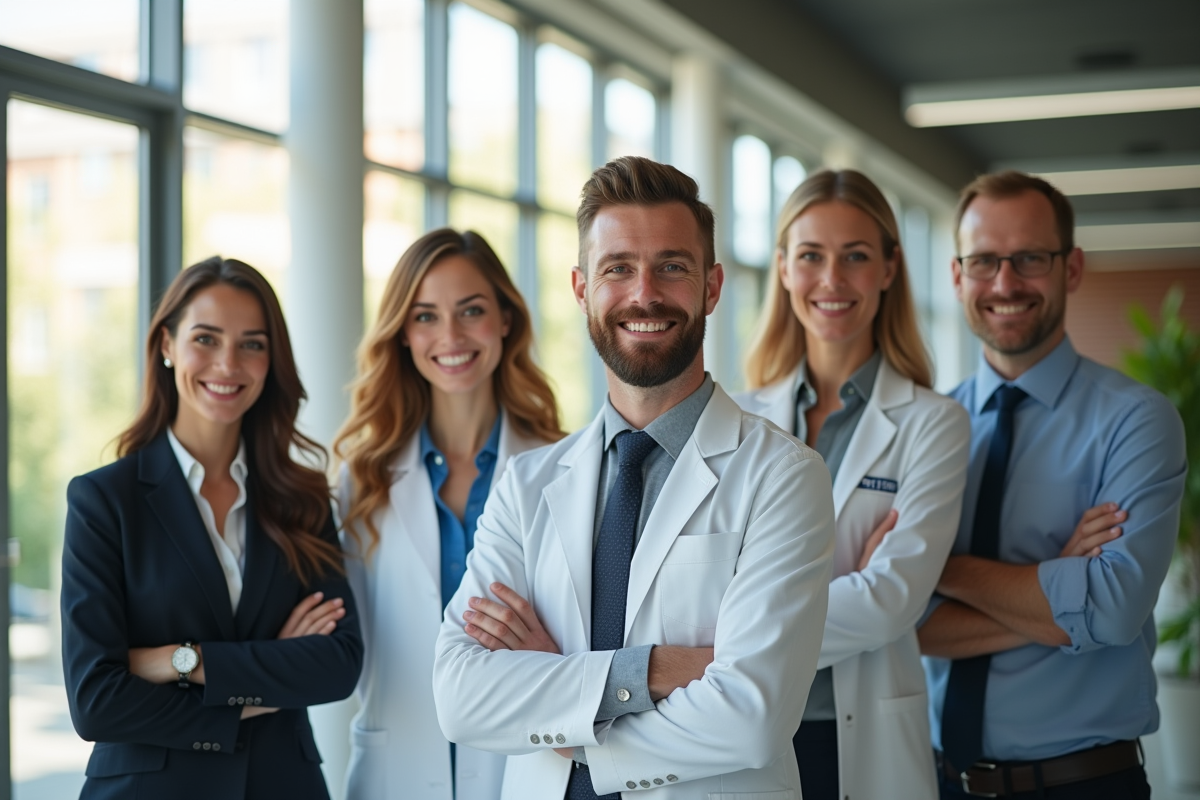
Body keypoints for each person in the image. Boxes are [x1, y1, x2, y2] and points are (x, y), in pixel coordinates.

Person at [431, 155, 836, 800]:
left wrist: (556, 692)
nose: (644, 294)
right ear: (581, 287)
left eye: (672, 267)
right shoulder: (527, 483)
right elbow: (461, 698)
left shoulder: (784, 477)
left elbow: (752, 718)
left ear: (711, 287)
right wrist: (652, 672)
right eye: (617, 268)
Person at [920, 171, 1187, 799]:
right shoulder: (926, 430)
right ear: (957, 277)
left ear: (1070, 268)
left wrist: (938, 569)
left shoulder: (1136, 420)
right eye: (984, 261)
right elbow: (899, 623)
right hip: (933, 781)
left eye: (1030, 258)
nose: (1006, 283)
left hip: (1083, 784)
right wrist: (1058, 585)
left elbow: (1114, 607)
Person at [61, 257, 364, 800]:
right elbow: (95, 701)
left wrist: (178, 661)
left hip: (282, 785)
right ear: (167, 346)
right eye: (206, 338)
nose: (228, 364)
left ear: (271, 361)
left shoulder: (302, 497)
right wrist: (266, 681)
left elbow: (337, 665)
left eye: (252, 344)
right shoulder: (105, 500)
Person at [735, 169, 970, 800]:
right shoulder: (735, 420)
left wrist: (740, 631)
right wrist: (847, 587)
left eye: (856, 257)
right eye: (811, 256)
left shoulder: (934, 423)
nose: (832, 281)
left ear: (890, 268)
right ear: (783, 267)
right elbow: (703, 587)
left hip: (862, 740)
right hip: (745, 734)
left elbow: (893, 599)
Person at [334, 228, 565, 800]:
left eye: (471, 311)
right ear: (403, 334)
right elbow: (349, 648)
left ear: (506, 319)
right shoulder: (362, 478)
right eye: (426, 316)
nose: (452, 336)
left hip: (528, 766)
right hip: (398, 770)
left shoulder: (565, 467)